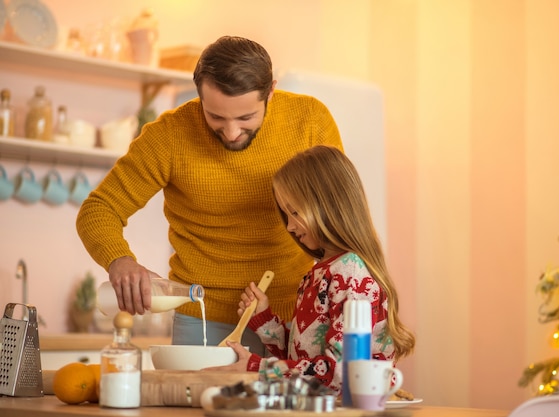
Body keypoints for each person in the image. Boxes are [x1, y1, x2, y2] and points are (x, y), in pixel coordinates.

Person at [75, 36, 343, 354]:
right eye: (216, 116)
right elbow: (99, 208)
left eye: (245, 118)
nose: (231, 133)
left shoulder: (309, 121)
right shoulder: (168, 136)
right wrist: (119, 261)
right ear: (199, 93)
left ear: (270, 91)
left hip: (297, 317)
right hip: (201, 320)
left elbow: (339, 216)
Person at [219, 145, 415, 393]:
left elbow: (340, 373)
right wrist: (264, 319)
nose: (289, 226)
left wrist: (259, 368)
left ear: (327, 203)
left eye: (294, 212)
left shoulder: (350, 275)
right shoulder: (324, 271)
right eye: (285, 214)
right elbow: (303, 354)